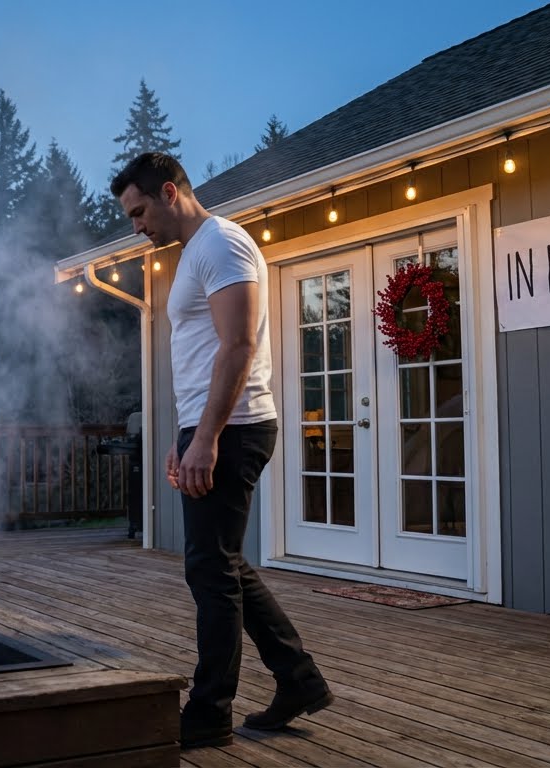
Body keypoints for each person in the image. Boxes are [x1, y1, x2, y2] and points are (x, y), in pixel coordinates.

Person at [112, 153, 332, 748]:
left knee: (210, 570)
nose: (136, 227)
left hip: (234, 428)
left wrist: (205, 439)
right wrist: (184, 438)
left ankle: (209, 713)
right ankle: (298, 680)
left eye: (138, 212)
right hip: (211, 428)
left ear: (168, 192)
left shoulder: (223, 244)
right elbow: (199, 353)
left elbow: (238, 344)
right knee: (225, 563)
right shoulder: (193, 255)